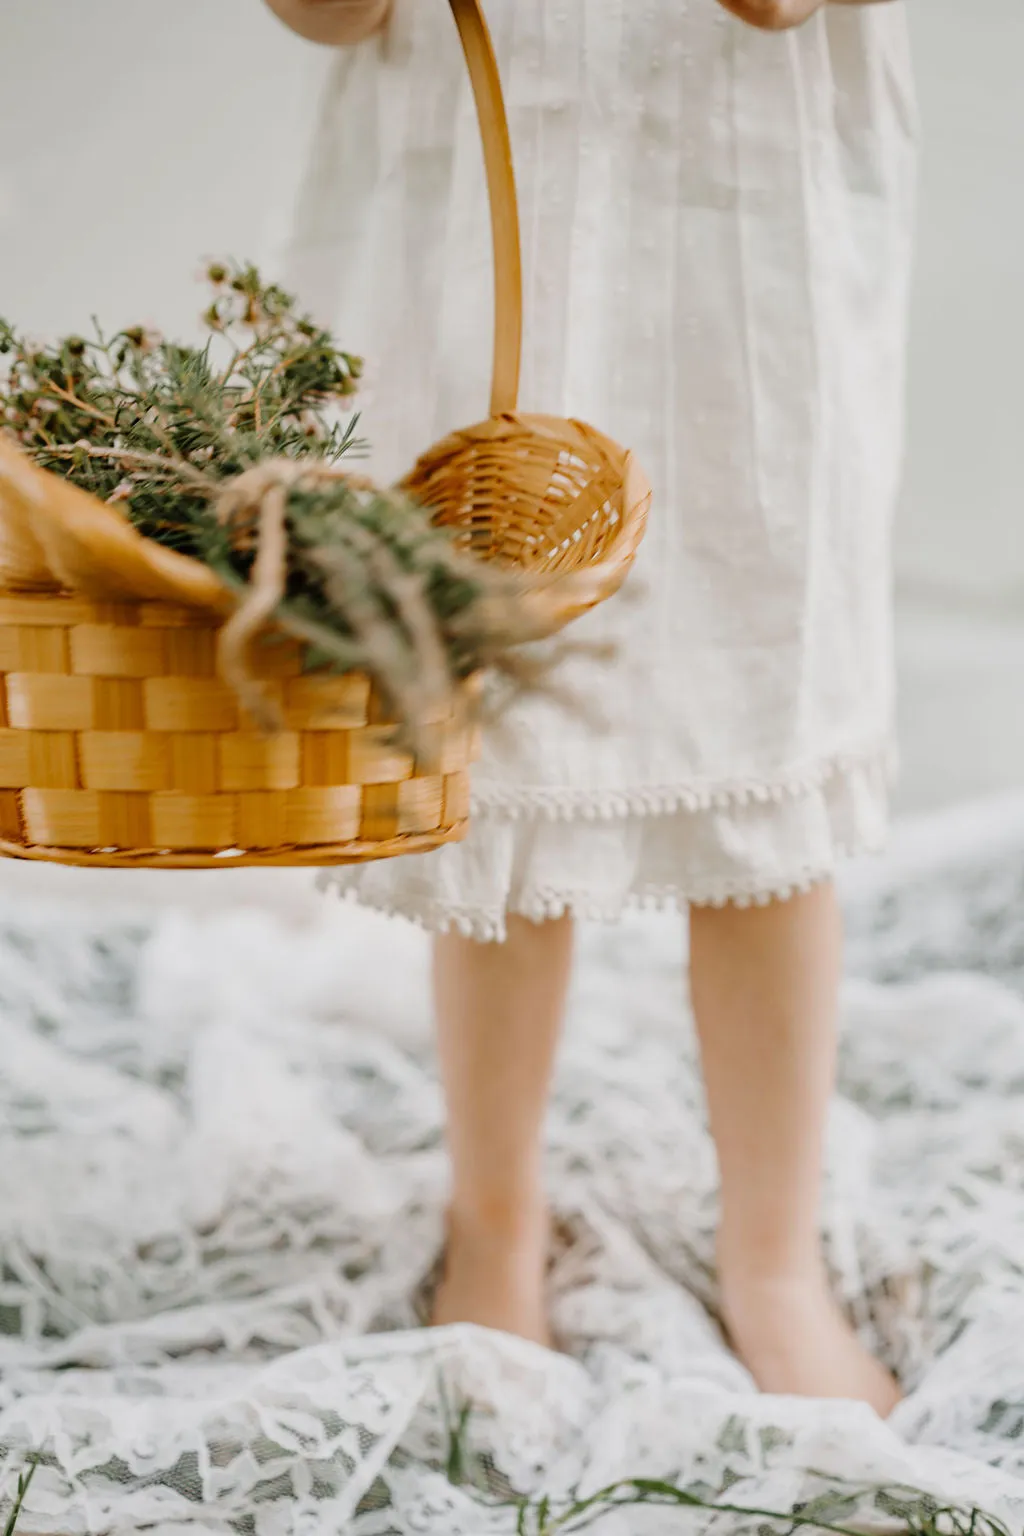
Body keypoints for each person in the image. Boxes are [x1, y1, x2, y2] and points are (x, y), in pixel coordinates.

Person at [264, 0, 916, 1414]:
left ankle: (773, 1251)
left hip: (736, 210)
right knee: (494, 747)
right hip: (480, 212)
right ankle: (494, 1209)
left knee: (760, 731)